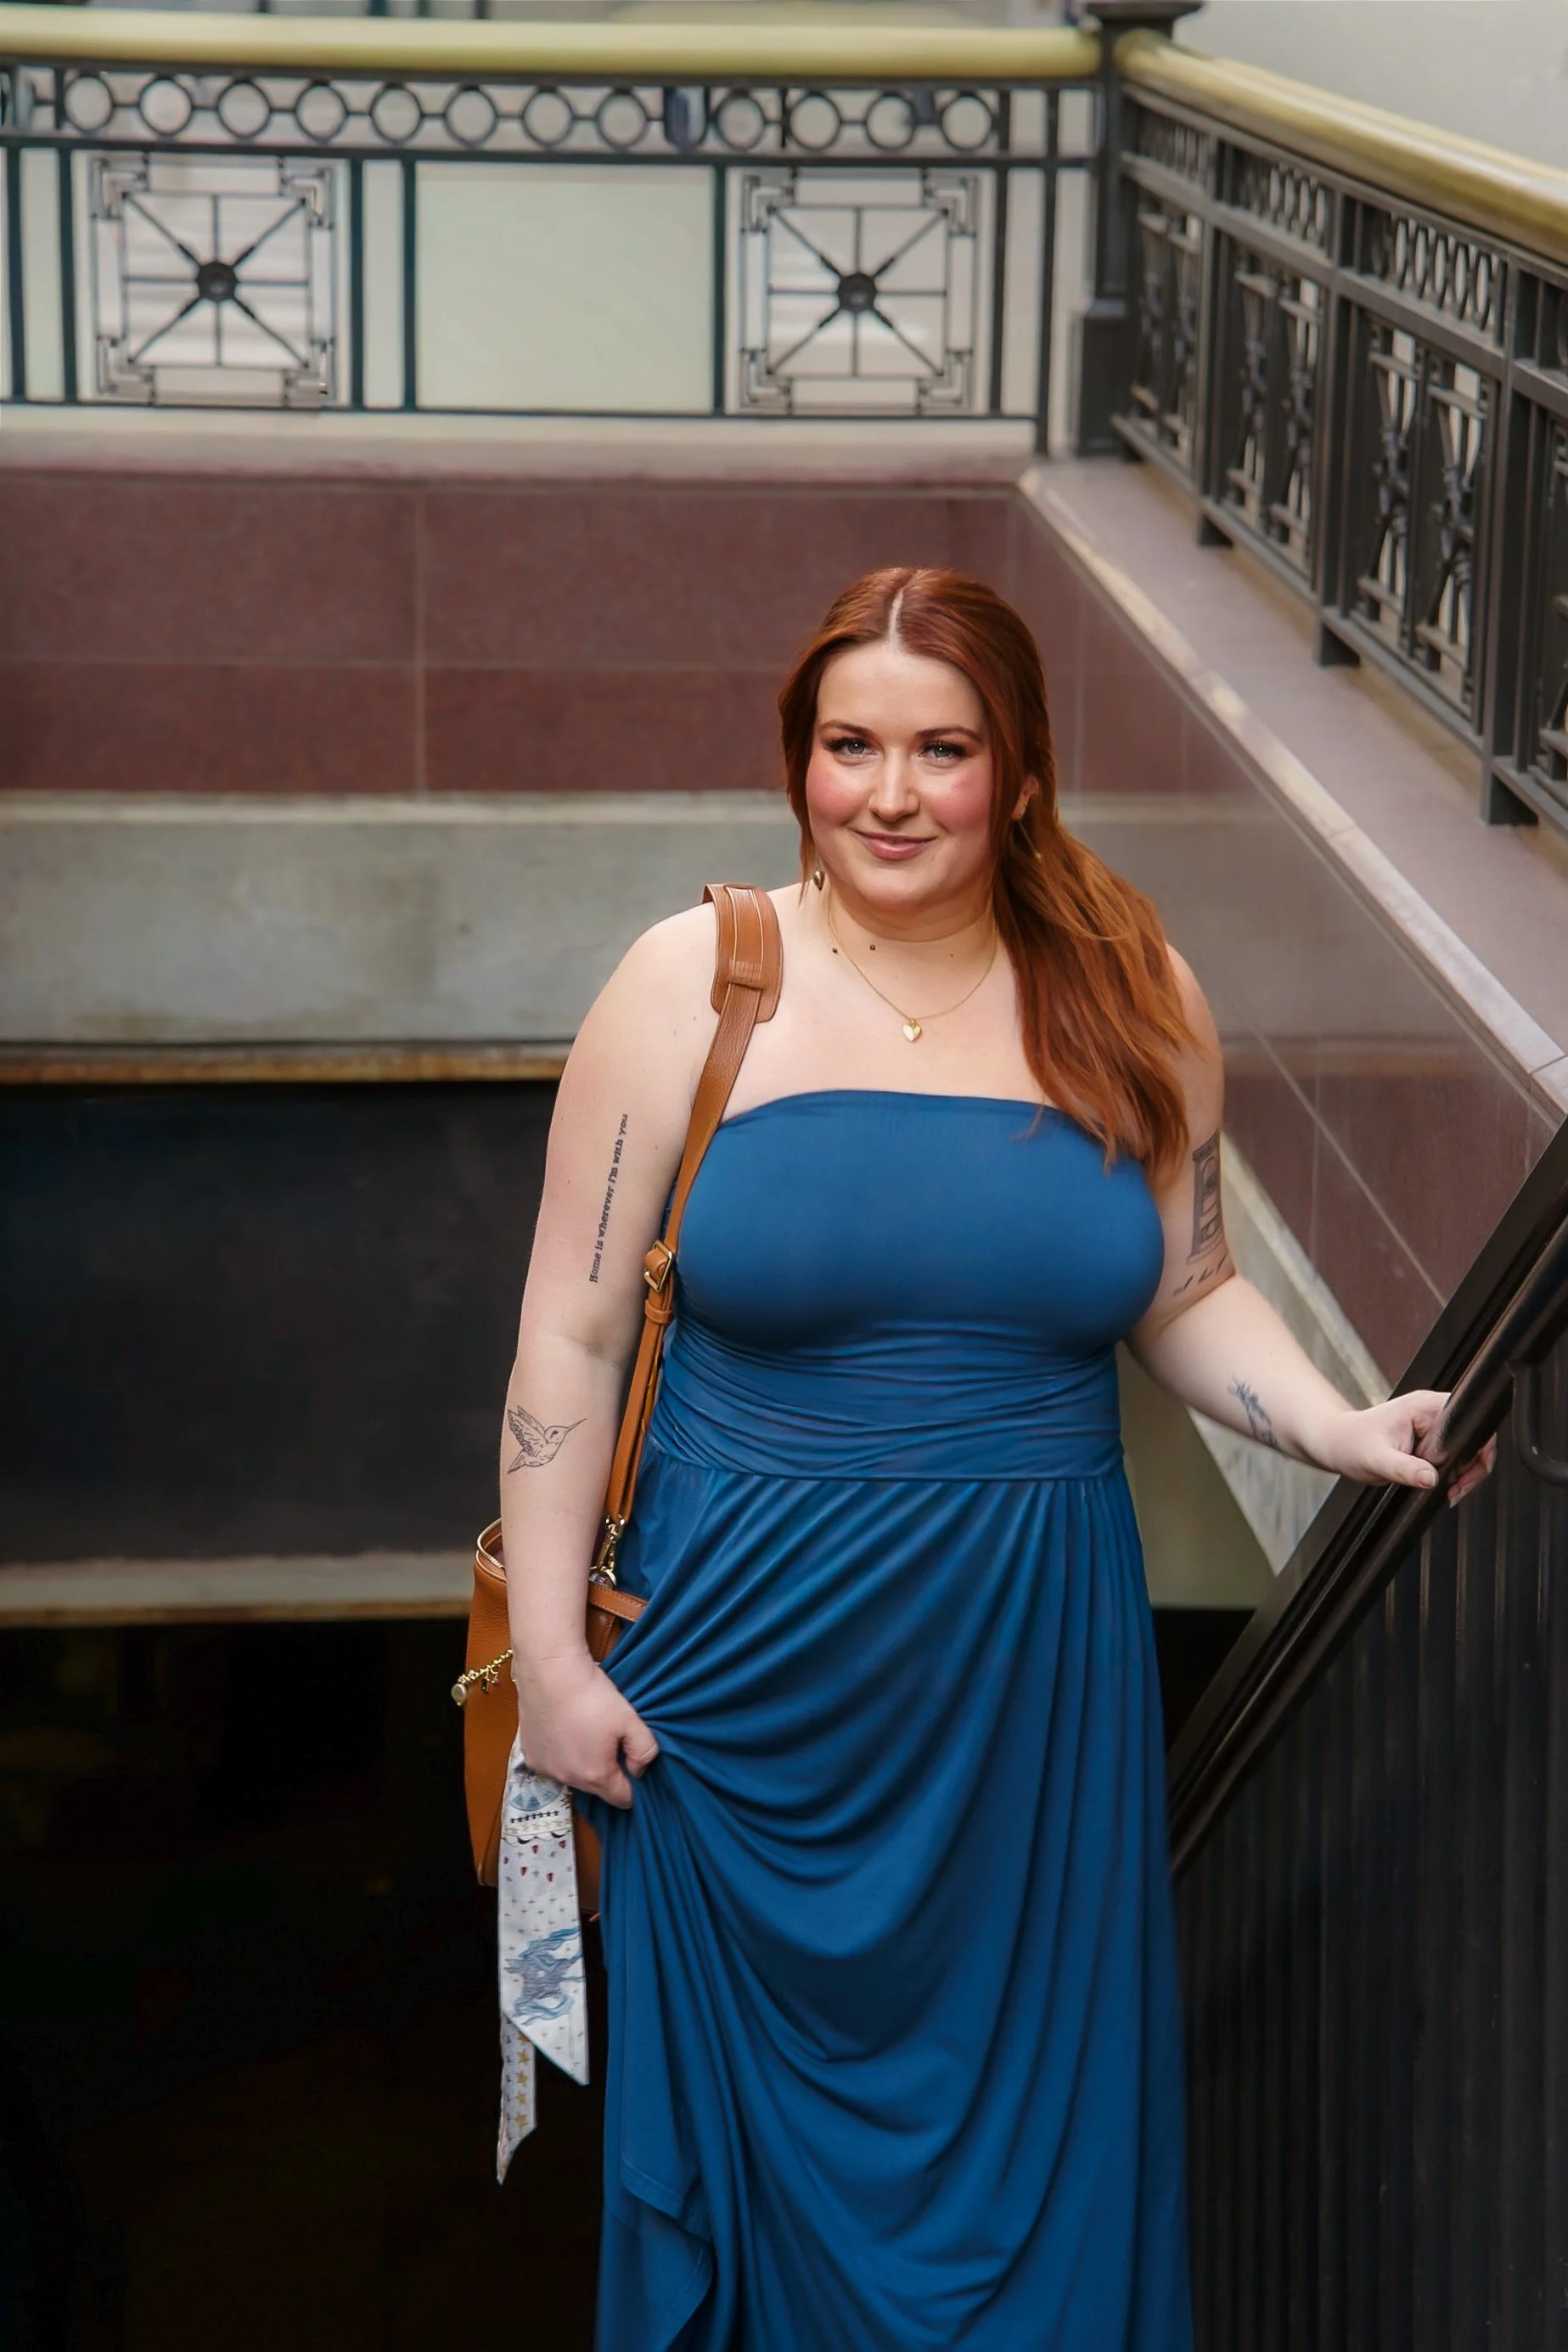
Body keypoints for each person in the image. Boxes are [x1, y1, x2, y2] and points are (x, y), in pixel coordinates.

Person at [497, 568, 1492, 2351]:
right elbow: (565, 1343)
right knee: (759, 2216)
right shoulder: (691, 982)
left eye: (939, 749)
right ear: (794, 761)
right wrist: (560, 1664)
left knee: (1035, 2191)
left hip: (1027, 1702)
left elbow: (1183, 1287)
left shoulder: (1129, 991)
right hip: (737, 1704)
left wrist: (1339, 1423)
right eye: (849, 745)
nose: (889, 791)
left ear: (1017, 772)